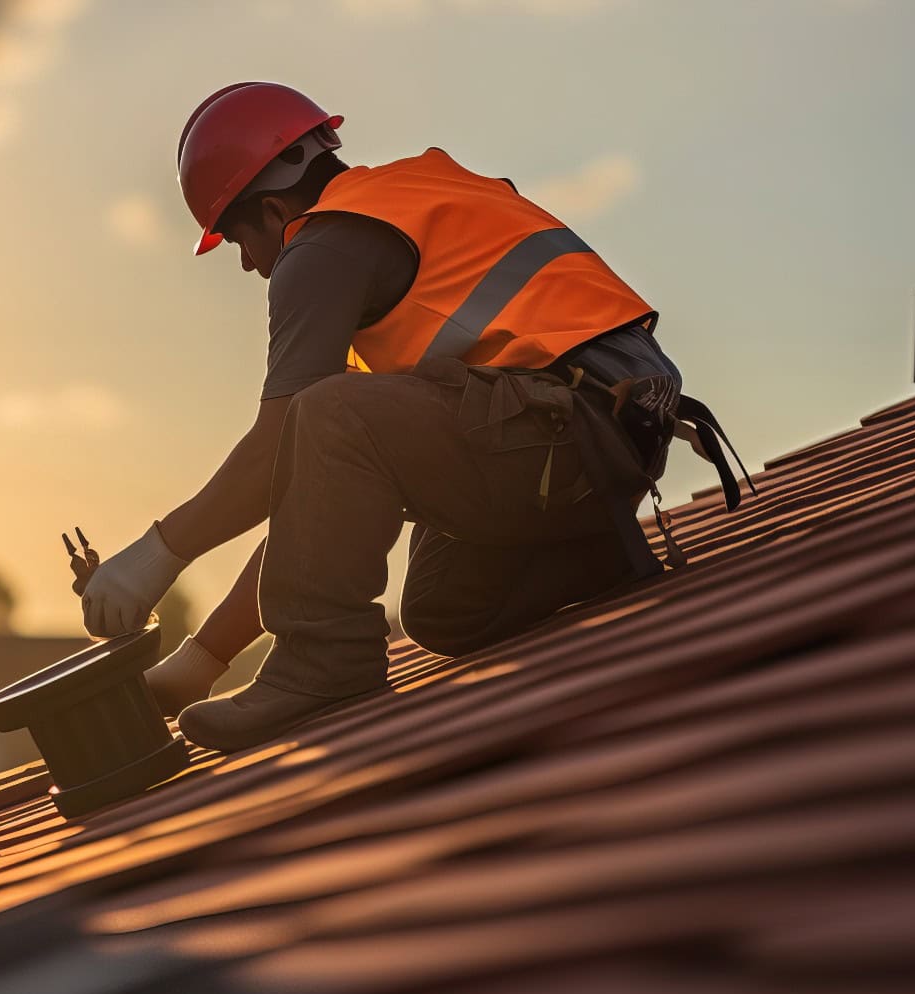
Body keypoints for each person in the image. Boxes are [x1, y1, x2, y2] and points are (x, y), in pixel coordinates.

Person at [77, 82, 746, 752]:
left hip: (570, 431)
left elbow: (282, 442)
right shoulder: (407, 203)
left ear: (276, 206)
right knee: (444, 605)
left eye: (238, 242)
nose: (251, 264)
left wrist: (156, 556)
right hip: (605, 439)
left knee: (324, 415)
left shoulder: (321, 248)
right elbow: (314, 498)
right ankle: (599, 553)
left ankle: (326, 665)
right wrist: (199, 665)